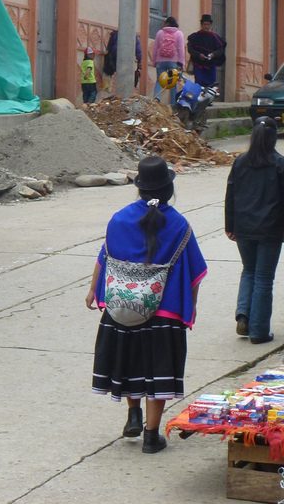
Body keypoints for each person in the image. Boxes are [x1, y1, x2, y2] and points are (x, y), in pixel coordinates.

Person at [87, 156, 207, 453]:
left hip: (124, 308)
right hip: (164, 310)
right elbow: (194, 272)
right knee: (158, 371)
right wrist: (188, 310)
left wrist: (93, 291)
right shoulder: (179, 225)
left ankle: (133, 413)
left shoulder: (119, 219)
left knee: (130, 363)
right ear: (168, 189)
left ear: (139, 187)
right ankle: (151, 436)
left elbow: (105, 257)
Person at [225, 115, 284, 344]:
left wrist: (230, 225)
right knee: (263, 278)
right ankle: (259, 331)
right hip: (270, 230)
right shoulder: (279, 164)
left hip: (243, 228)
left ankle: (244, 316)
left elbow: (230, 195)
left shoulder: (240, 162)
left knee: (248, 270)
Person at [187, 14, 227, 91]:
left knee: (211, 86)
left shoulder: (215, 37)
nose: (206, 26)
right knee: (198, 85)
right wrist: (199, 55)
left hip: (210, 67)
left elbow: (220, 50)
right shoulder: (195, 37)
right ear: (201, 25)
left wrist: (213, 54)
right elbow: (190, 49)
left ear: (210, 25)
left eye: (208, 24)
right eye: (205, 24)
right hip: (198, 66)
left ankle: (208, 102)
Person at [150, 16, 185, 102]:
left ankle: (156, 99)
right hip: (173, 63)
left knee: (159, 81)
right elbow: (181, 49)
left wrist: (154, 61)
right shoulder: (179, 34)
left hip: (161, 62)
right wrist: (181, 63)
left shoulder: (160, 33)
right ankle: (172, 103)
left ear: (167, 23)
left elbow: (155, 48)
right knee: (172, 83)